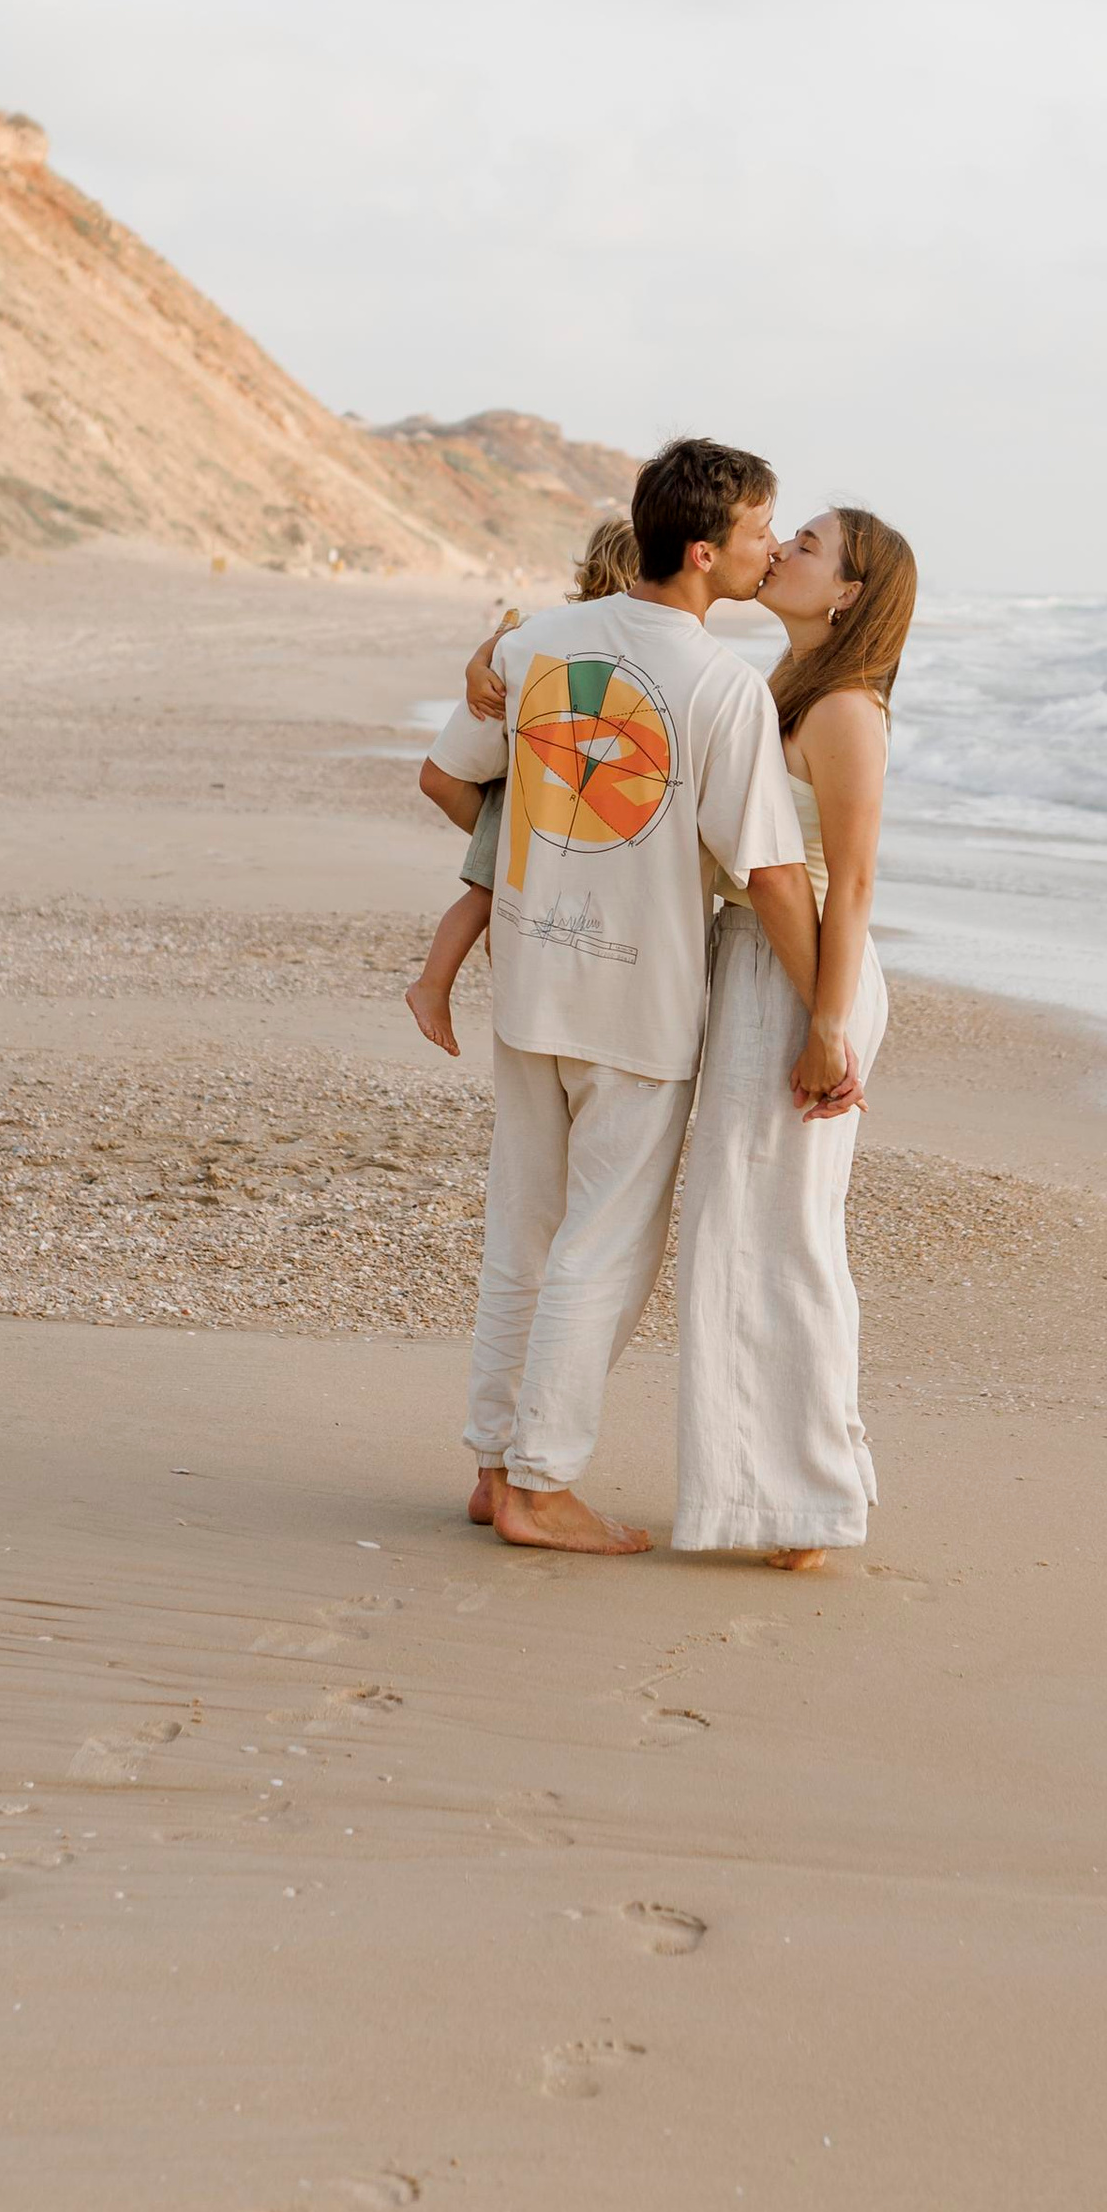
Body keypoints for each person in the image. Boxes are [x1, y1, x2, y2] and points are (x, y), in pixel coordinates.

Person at [417, 439, 834, 1557]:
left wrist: (554, 867)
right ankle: (541, 1487)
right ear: (703, 552)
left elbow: (451, 776)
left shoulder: (533, 644)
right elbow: (773, 876)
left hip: (531, 984)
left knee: (525, 1234)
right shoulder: (720, 687)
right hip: (637, 1004)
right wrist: (828, 1017)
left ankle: (494, 1462)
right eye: (759, 532)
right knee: (601, 1246)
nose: (769, 549)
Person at [670, 506, 917, 1569]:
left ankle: (804, 1499)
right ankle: (786, 1483)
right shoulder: (785, 690)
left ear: (851, 593)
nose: (782, 553)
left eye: (807, 547)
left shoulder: (847, 713)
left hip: (809, 976)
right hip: (763, 966)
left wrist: (826, 1025)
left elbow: (852, 884)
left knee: (782, 1240)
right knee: (743, 1233)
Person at [405, 515, 638, 1060]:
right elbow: (502, 642)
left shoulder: (573, 629)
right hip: (525, 795)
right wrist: (474, 666)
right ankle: (431, 987)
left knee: (501, 902)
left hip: (546, 790)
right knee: (486, 897)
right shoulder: (558, 628)